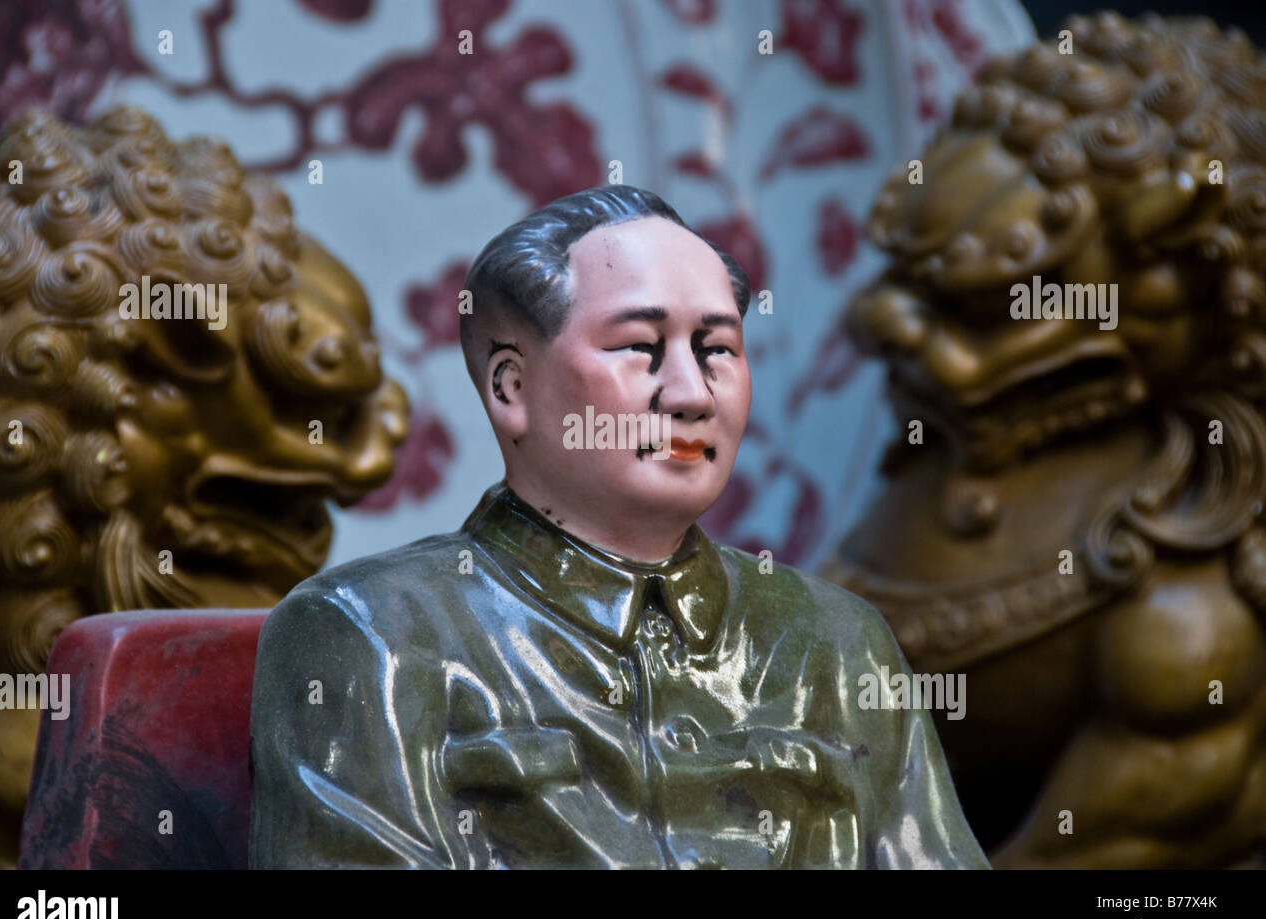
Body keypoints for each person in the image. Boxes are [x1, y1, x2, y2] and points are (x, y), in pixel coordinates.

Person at [248, 185, 987, 868]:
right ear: (512, 387)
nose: (692, 394)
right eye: (640, 347)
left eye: (717, 349)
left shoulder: (836, 642)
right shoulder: (375, 636)